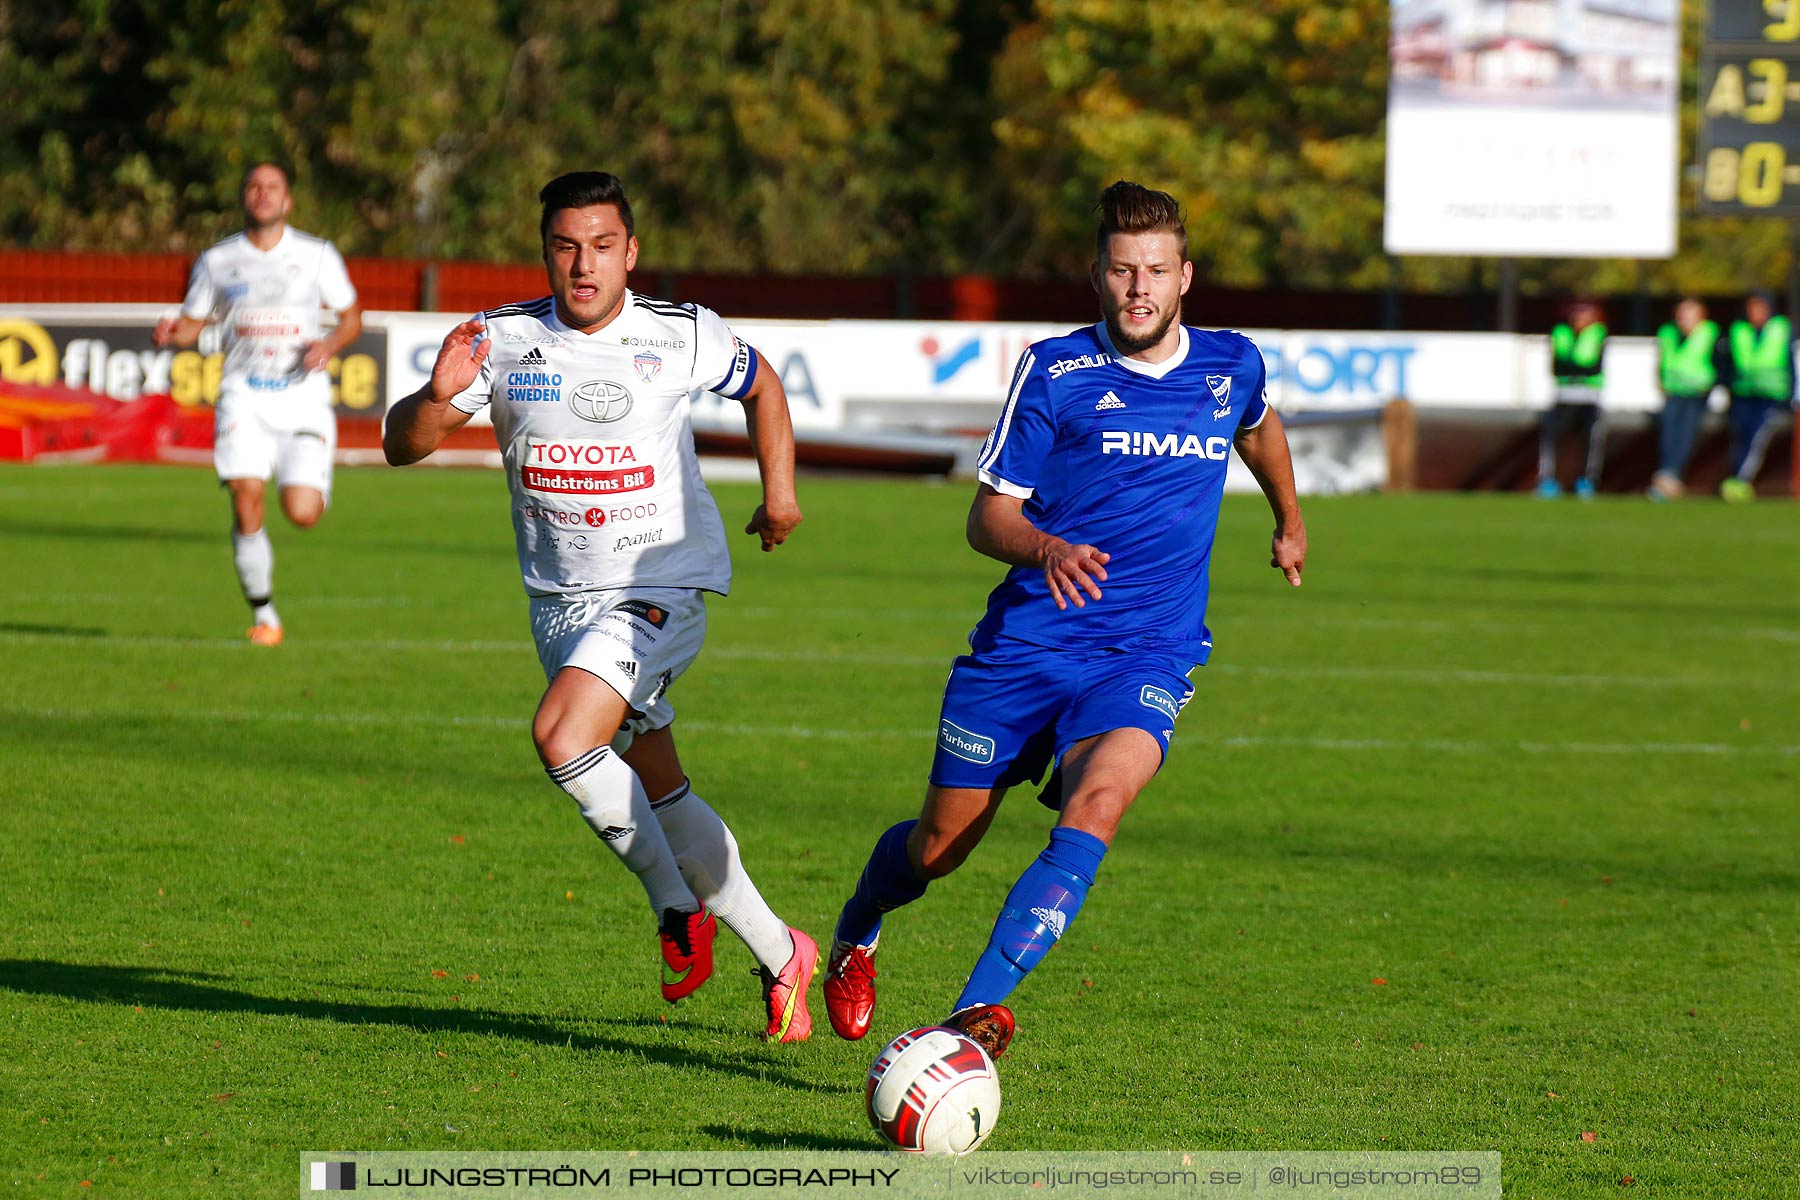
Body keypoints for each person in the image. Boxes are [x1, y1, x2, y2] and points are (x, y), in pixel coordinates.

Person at [820, 182, 1307, 1061]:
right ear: (1097, 276)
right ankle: (858, 930)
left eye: (1156, 270)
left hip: (1146, 653)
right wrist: (1046, 548)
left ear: (1185, 275)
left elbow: (1261, 432)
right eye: (1123, 271)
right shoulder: (1056, 371)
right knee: (937, 850)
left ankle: (966, 1019)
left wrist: (1288, 517)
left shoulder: (1232, 365)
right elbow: (985, 519)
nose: (1139, 289)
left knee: (1100, 803)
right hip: (1028, 647)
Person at [383, 171, 817, 1041]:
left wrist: (780, 495)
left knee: (561, 736)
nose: (584, 266)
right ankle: (784, 956)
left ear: (632, 252)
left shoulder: (680, 333)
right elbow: (402, 447)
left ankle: (673, 910)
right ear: (546, 250)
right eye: (566, 247)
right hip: (557, 605)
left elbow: (764, 386)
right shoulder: (499, 341)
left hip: (658, 585)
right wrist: (436, 398)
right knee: (662, 785)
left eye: (603, 246)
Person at [153, 162, 363, 645]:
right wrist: (172, 332)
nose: (262, 193)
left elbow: (352, 318)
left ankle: (312, 485)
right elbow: (192, 322)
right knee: (246, 495)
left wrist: (329, 345)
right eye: (253, 185)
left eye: (273, 187)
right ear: (243, 197)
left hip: (302, 398)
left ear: (287, 201)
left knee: (302, 512)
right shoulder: (217, 260)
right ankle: (264, 613)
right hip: (243, 394)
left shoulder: (316, 255)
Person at [1720, 289, 1795, 502]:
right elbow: (1727, 366)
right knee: (1740, 436)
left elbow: (1790, 365)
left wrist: (1789, 398)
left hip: (1771, 396)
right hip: (1743, 395)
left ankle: (1740, 480)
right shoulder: (1739, 330)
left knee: (1756, 437)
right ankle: (1735, 477)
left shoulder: (1781, 329)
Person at [1650, 298, 1720, 502]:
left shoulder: (1710, 333)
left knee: (1686, 434)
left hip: (1696, 393)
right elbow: (1662, 360)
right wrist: (1659, 381)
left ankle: (1670, 475)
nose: (1683, 319)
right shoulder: (1668, 333)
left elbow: (1718, 363)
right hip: (1674, 391)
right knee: (1669, 433)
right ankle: (1667, 476)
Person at [1536, 298, 1607, 498]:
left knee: (1591, 436)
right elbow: (1557, 367)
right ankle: (1547, 479)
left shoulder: (1598, 334)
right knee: (1551, 436)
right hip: (1563, 396)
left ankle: (1587, 480)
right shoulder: (1560, 333)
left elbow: (1594, 367)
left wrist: (1573, 367)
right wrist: (1577, 368)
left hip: (1589, 398)